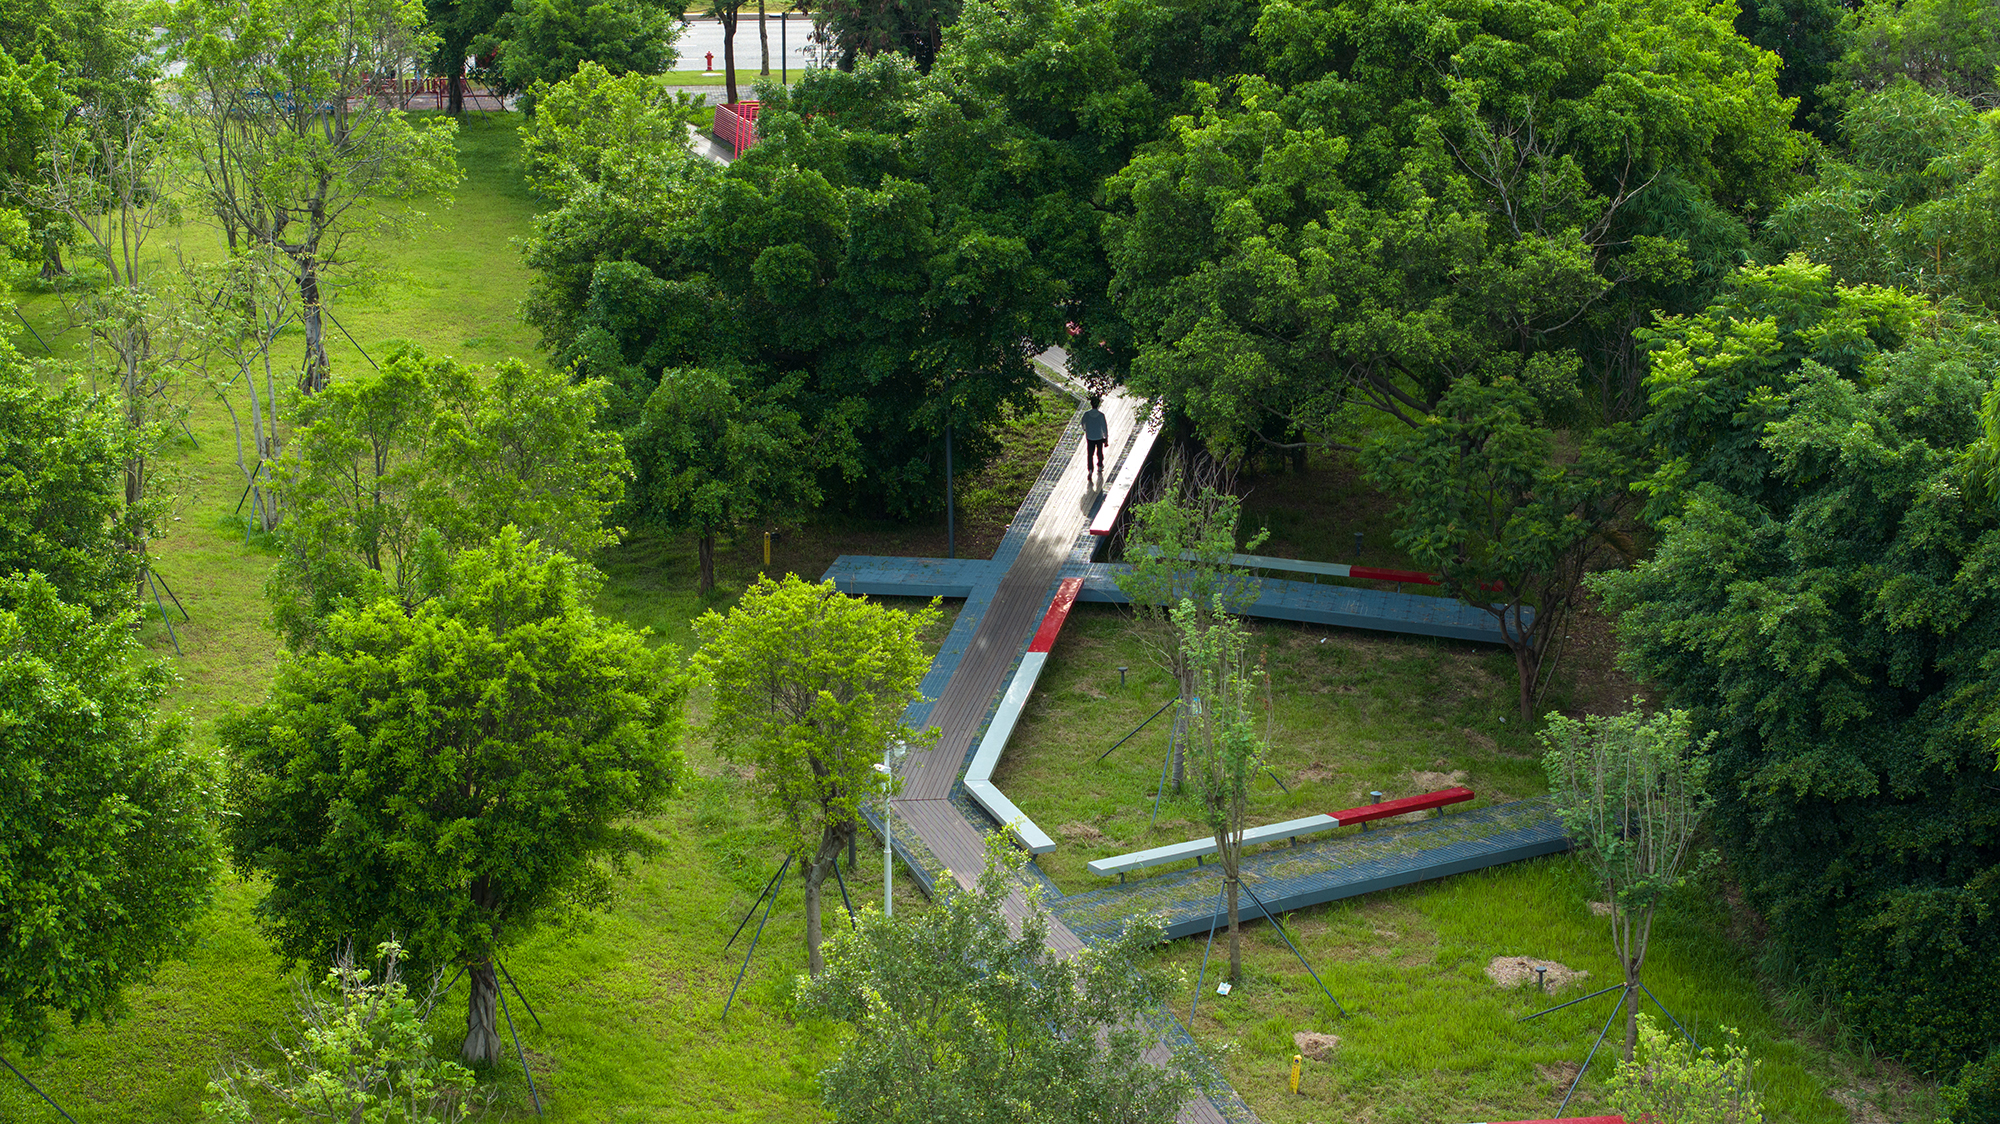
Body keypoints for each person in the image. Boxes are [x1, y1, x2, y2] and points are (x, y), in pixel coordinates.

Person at [1081, 395, 1109, 480]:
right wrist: (1106, 438)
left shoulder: (1086, 414)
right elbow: (1104, 427)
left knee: (1090, 454)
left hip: (1090, 437)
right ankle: (1100, 465)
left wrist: (1085, 429)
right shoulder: (1101, 415)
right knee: (1099, 452)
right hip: (1099, 436)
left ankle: (1090, 469)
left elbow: (1082, 423)